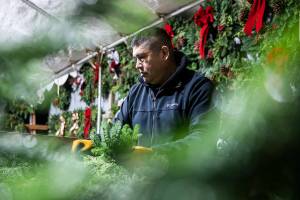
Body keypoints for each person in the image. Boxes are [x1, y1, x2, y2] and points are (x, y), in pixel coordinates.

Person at [114, 27, 214, 153]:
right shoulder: (135, 93)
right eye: (136, 59)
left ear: (164, 53)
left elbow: (203, 138)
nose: (137, 65)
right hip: (139, 173)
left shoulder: (197, 87)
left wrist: (152, 155)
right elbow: (115, 132)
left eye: (142, 58)